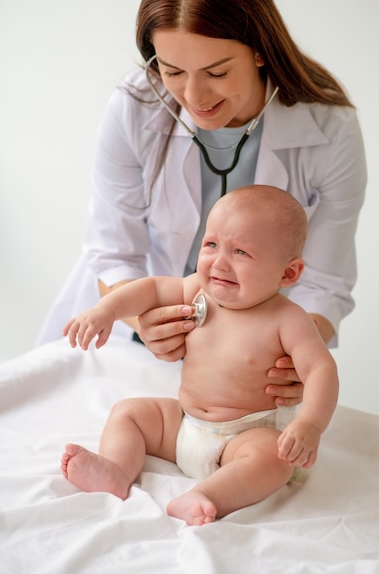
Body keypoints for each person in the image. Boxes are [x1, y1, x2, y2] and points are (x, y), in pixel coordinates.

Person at [38, 0, 366, 408]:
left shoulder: (329, 128)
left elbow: (324, 281)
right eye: (172, 71)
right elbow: (112, 252)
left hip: (250, 363)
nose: (194, 96)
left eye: (216, 72)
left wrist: (293, 354)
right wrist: (145, 322)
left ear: (258, 50)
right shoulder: (135, 107)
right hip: (134, 336)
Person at [61, 185, 339, 526]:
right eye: (211, 245)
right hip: (182, 424)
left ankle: (207, 497)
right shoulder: (196, 289)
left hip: (242, 437)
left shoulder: (288, 320)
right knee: (128, 413)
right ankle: (116, 470)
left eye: (240, 252)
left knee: (273, 458)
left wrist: (310, 424)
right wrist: (106, 310)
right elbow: (149, 289)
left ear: (288, 273)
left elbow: (321, 370)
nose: (219, 262)